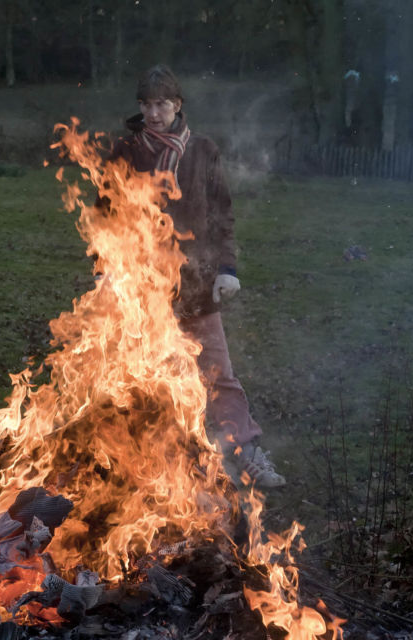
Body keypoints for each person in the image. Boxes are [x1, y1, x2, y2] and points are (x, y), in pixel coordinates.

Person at [105, 64, 285, 488]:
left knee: (218, 375)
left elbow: (222, 213)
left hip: (197, 283)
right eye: (146, 104)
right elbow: (105, 216)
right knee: (144, 378)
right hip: (142, 287)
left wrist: (227, 268)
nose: (153, 113)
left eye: (162, 103)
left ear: (178, 105)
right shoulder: (125, 152)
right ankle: (150, 466)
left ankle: (247, 453)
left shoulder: (202, 150)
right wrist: (107, 270)